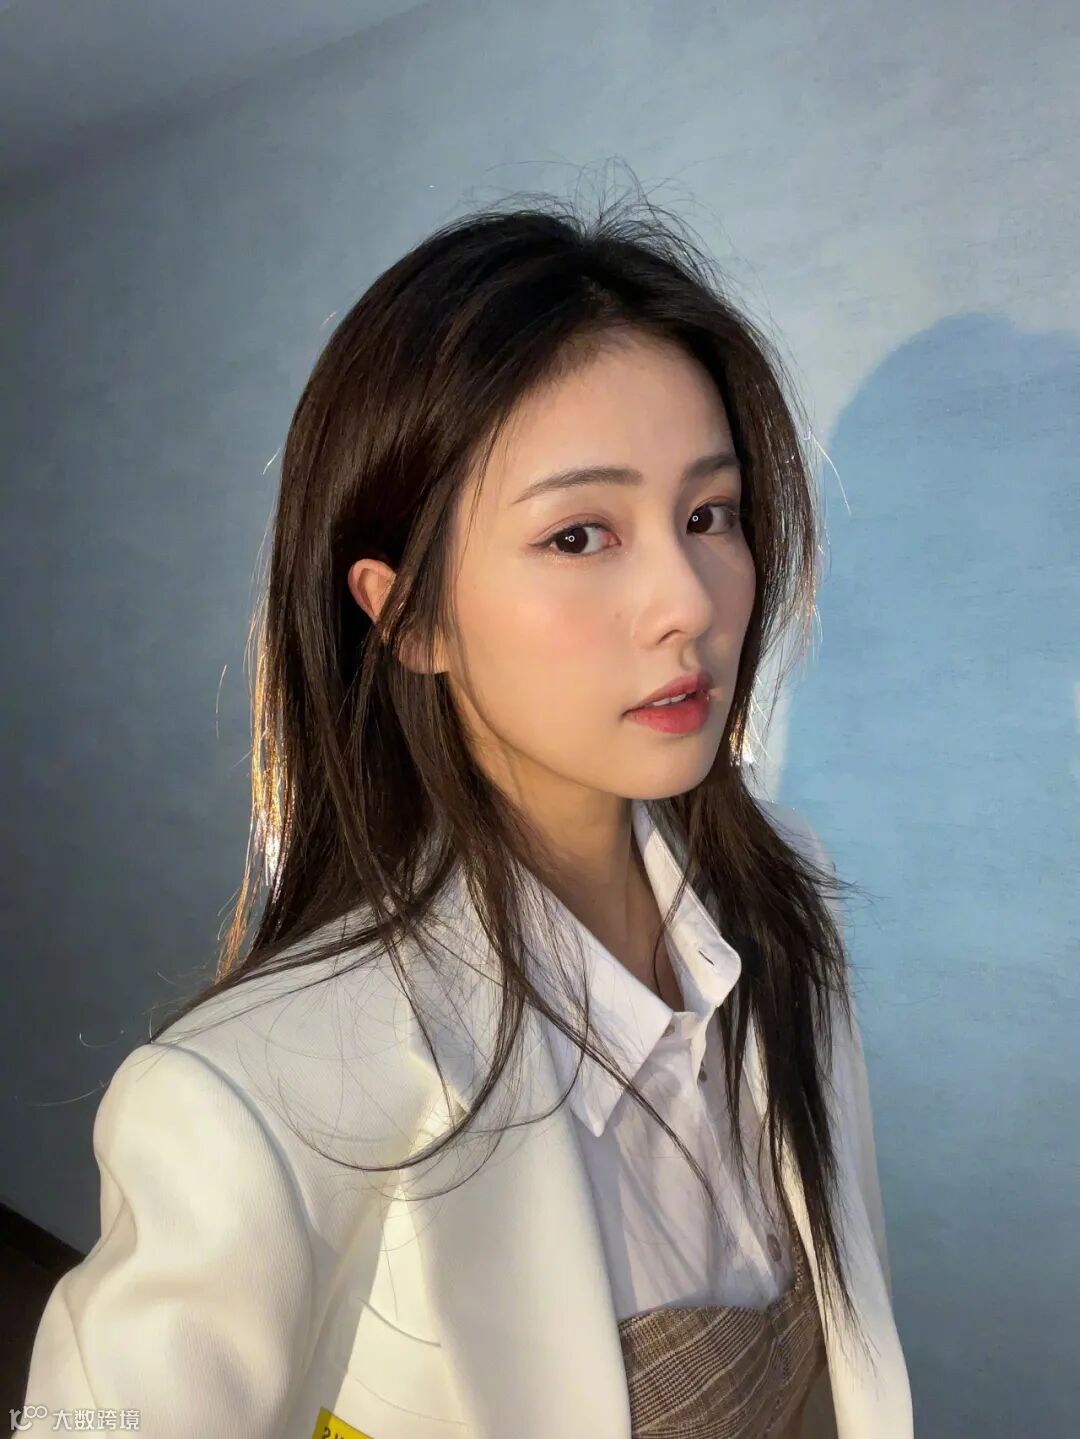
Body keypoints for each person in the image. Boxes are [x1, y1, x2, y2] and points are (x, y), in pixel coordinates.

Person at [21, 191, 912, 1438]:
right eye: (581, 534)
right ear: (409, 614)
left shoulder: (782, 899)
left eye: (708, 514)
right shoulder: (261, 1090)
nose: (688, 600)